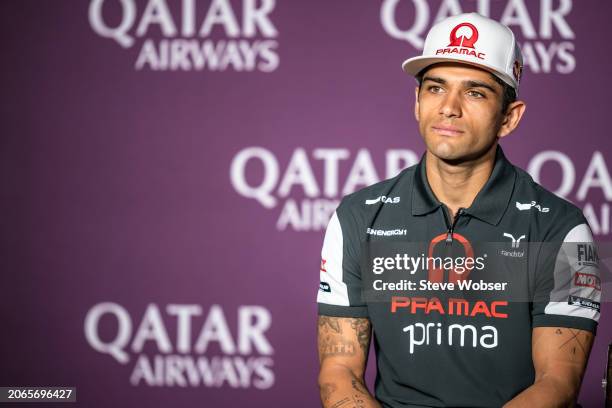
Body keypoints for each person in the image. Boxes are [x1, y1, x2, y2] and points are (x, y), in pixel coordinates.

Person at [316, 12, 601, 408]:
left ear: (509, 117)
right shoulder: (357, 218)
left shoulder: (563, 229)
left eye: (475, 93)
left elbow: (558, 384)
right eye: (435, 88)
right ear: (417, 102)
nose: (449, 108)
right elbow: (339, 372)